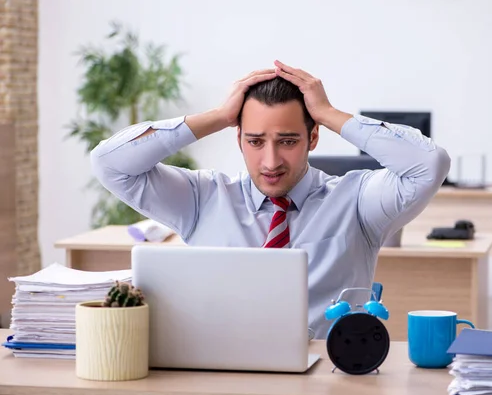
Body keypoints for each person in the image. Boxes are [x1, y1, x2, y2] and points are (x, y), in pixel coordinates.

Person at [90, 60, 451, 338]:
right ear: (239, 139)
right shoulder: (201, 198)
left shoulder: (357, 201)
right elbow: (110, 163)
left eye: (288, 141)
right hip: (223, 373)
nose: (271, 161)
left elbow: (428, 164)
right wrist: (217, 117)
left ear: (313, 139)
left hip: (330, 379)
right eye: (256, 141)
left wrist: (327, 114)